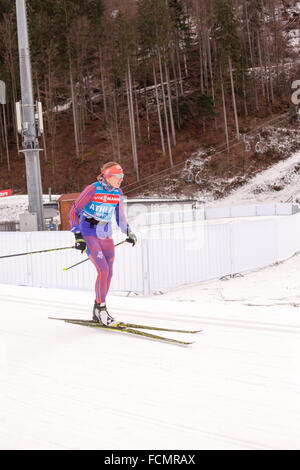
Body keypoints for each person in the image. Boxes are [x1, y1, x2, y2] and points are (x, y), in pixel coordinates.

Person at [68, 162, 137, 326]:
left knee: (109, 271)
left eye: (123, 176)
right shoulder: (93, 189)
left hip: (105, 232)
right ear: (108, 176)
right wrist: (78, 236)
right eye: (118, 176)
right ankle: (102, 309)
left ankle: (97, 309)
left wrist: (128, 231)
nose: (121, 180)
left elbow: (120, 217)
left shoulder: (117, 192)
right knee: (103, 269)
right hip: (89, 231)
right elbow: (74, 211)